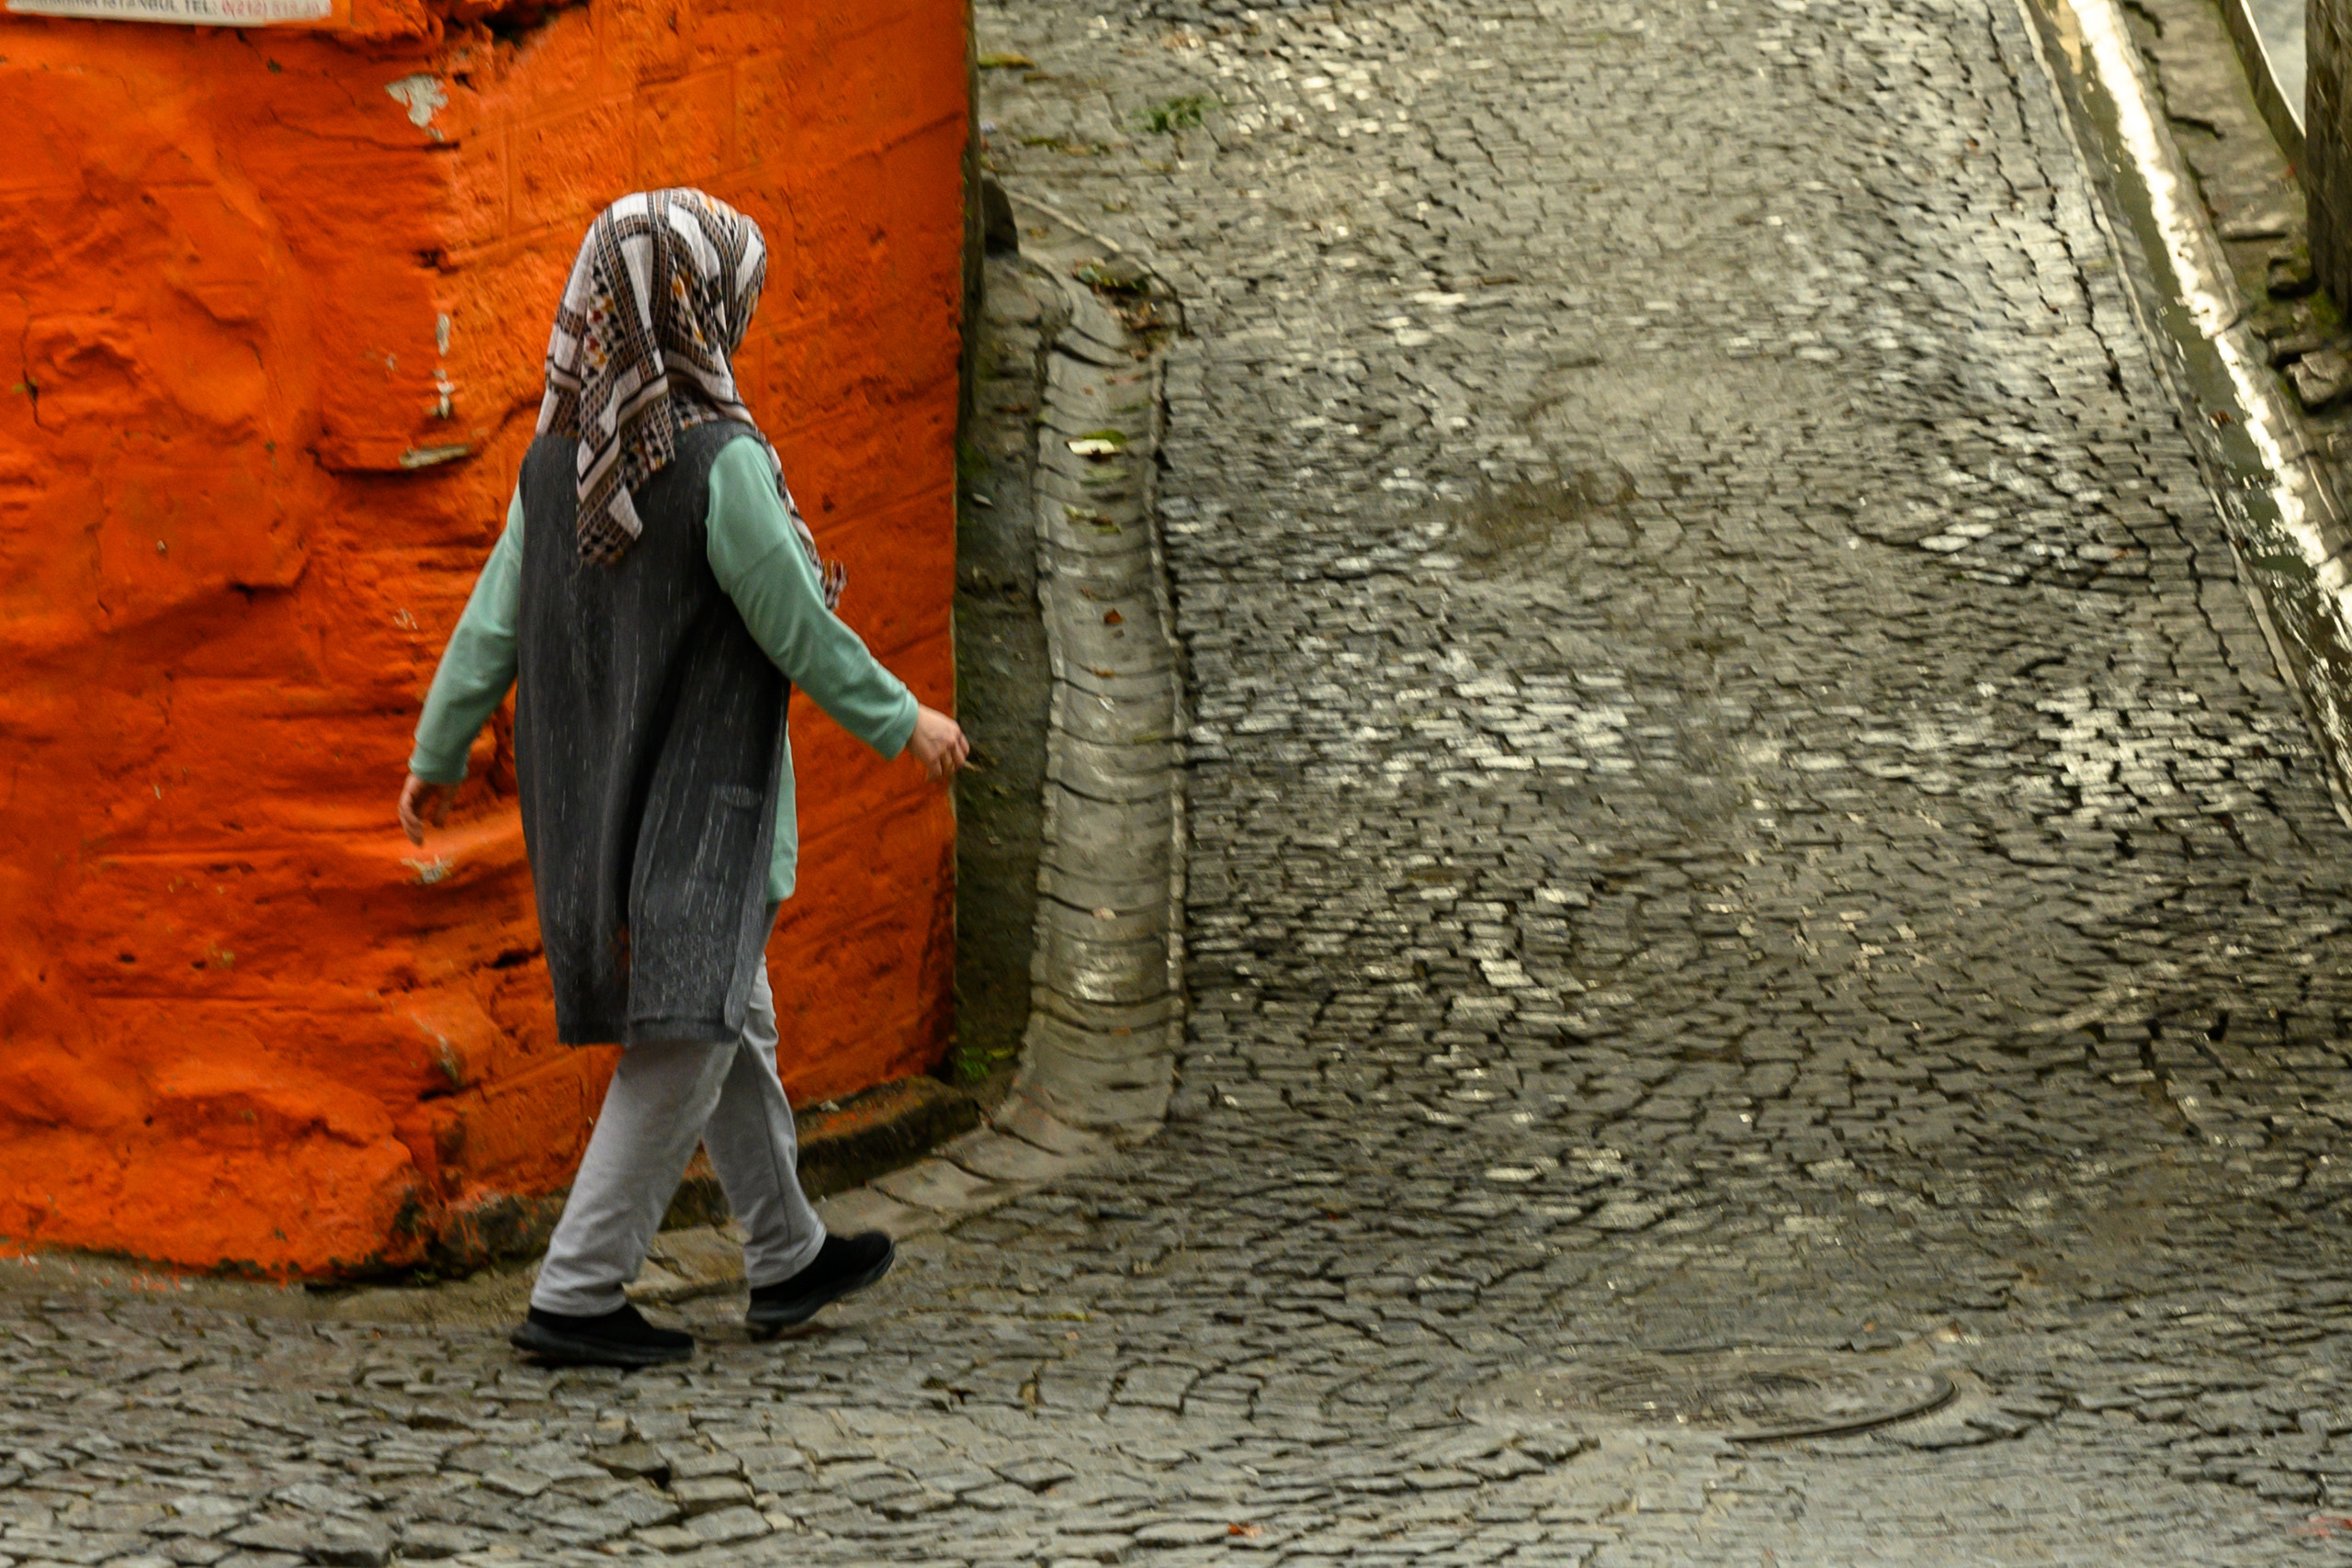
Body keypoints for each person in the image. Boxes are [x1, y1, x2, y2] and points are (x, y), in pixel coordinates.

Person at [397, 188, 967, 1368]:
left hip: (598, 814)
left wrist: (435, 754)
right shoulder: (721, 464)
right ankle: (577, 1291)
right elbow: (798, 624)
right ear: (698, 307)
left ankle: (785, 1250)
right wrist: (902, 719)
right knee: (689, 1041)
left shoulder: (553, 469)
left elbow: (488, 626)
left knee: (732, 1019)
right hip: (706, 819)